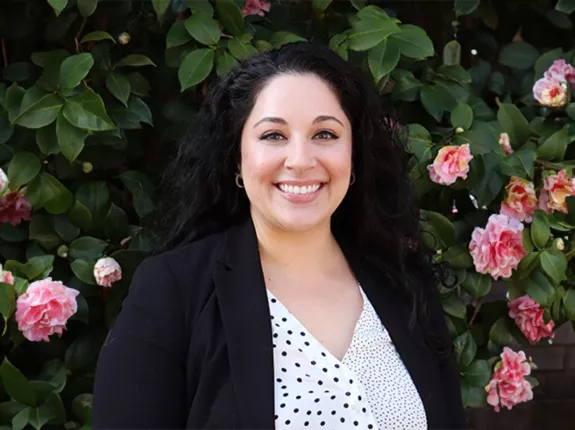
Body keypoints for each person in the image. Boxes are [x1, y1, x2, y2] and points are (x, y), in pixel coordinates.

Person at [92, 41, 467, 430]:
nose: (301, 160)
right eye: (273, 135)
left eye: (325, 134)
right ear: (237, 156)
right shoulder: (173, 292)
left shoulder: (400, 280)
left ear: (353, 155)